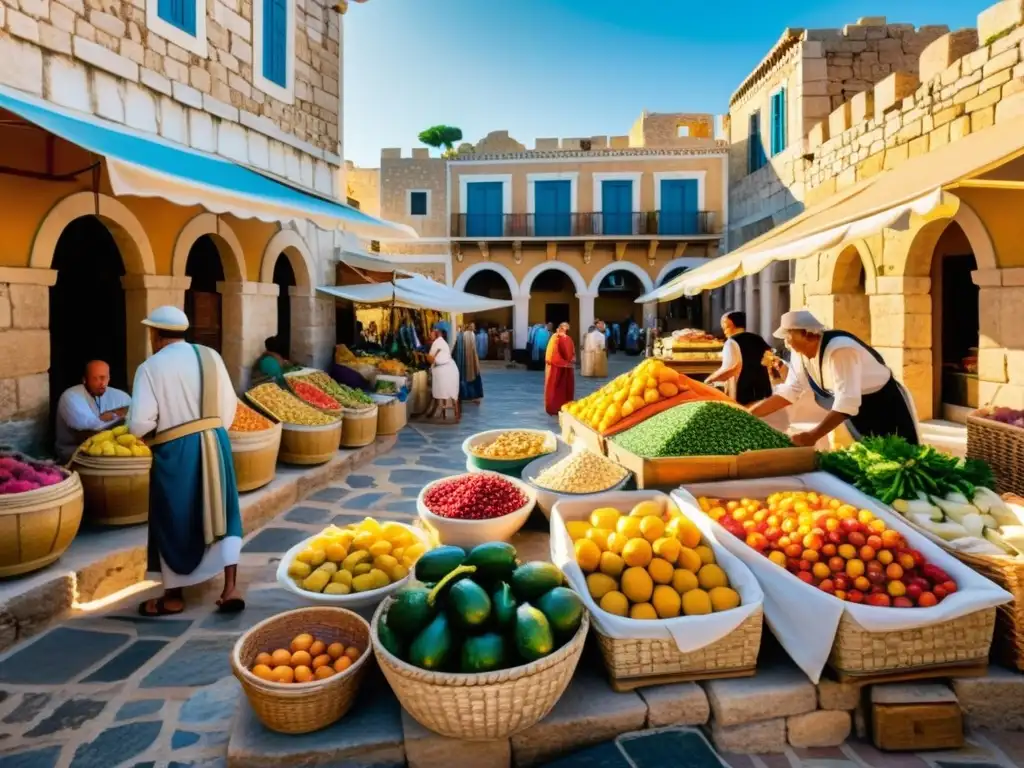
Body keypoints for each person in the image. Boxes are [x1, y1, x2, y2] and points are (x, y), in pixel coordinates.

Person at [128, 306, 243, 617]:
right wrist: (211, 431)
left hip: (174, 448)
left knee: (174, 515)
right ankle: (230, 587)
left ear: (155, 334)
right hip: (216, 441)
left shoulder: (150, 367)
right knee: (224, 510)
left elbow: (138, 423)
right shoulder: (211, 356)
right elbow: (229, 407)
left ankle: (173, 596)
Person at [749, 310, 920, 447]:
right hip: (855, 411)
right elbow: (791, 391)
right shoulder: (799, 354)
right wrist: (750, 415)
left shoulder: (840, 349)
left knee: (904, 458)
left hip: (885, 405)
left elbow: (847, 401)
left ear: (807, 334)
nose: (786, 342)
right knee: (873, 455)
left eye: (789, 335)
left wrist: (813, 435)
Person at [55, 360, 132, 463]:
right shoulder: (71, 396)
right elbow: (89, 432)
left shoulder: (120, 396)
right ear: (84, 380)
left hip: (108, 452)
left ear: (109, 378)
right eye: (95, 379)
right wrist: (116, 415)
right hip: (74, 454)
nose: (101, 383)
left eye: (104, 378)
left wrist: (112, 415)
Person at [704, 311, 773, 406]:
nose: (723, 329)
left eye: (724, 324)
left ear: (730, 324)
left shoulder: (731, 342)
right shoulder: (758, 338)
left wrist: (709, 380)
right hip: (763, 389)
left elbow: (732, 369)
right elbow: (770, 359)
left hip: (742, 392)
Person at [424, 325, 460, 422]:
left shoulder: (437, 342)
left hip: (443, 370)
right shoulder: (442, 342)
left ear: (437, 332)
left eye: (431, 332)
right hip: (451, 369)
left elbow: (430, 359)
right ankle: (456, 414)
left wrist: (425, 355)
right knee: (452, 393)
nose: (430, 335)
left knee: (442, 391)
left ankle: (444, 412)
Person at [545, 322, 576, 416]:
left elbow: (572, 351)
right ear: (558, 328)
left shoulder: (568, 338)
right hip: (556, 370)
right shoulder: (555, 338)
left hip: (566, 369)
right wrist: (563, 363)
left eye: (566, 329)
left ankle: (565, 406)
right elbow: (552, 354)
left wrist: (572, 359)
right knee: (555, 388)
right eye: (563, 328)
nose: (564, 330)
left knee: (566, 388)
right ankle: (554, 408)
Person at [454, 323, 484, 401]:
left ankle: (466, 394)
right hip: (471, 358)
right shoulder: (471, 334)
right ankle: (473, 395)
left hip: (465, 359)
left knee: (467, 376)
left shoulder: (463, 335)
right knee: (473, 375)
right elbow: (474, 348)